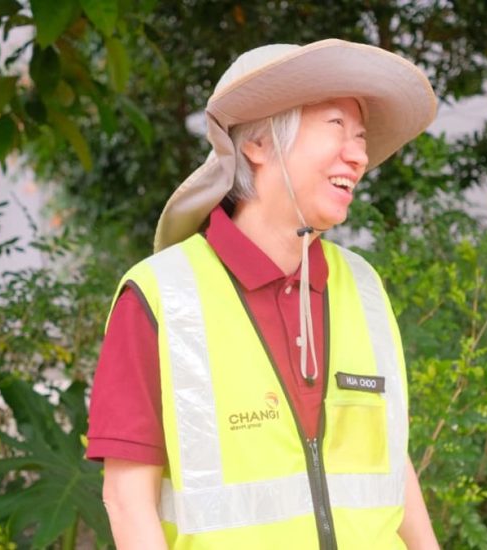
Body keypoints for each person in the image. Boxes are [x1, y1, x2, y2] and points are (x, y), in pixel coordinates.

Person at [87, 38, 440, 549]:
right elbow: (127, 499)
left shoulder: (362, 286)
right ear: (257, 143)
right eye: (336, 126)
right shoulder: (161, 295)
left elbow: (389, 459)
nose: (359, 154)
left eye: (361, 135)